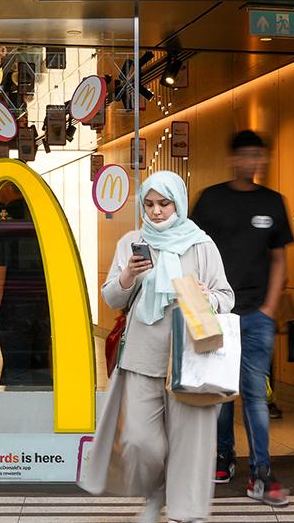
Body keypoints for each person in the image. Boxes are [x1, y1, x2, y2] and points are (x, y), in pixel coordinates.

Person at [80, 171, 234, 523]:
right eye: (149, 204)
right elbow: (110, 296)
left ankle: (183, 511)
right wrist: (128, 275)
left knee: (189, 444)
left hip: (191, 357)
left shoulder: (201, 244)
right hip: (142, 357)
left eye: (164, 203)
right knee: (139, 442)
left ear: (178, 202)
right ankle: (155, 493)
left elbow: (226, 296)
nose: (156, 211)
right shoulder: (132, 241)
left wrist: (208, 298)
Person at [191, 130, 293, 506]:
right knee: (219, 392)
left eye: (259, 156)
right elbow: (195, 251)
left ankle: (261, 472)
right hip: (216, 314)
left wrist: (269, 308)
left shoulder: (273, 202)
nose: (254, 162)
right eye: (247, 155)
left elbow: (280, 259)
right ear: (234, 158)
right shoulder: (211, 200)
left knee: (253, 394)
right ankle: (224, 455)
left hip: (255, 315)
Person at [0, 183, 52, 386]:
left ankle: (16, 416)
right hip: (43, 310)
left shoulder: (1, 225)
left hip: (13, 313)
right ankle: (42, 415)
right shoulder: (44, 220)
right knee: (41, 372)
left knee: (16, 371)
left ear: (9, 189)